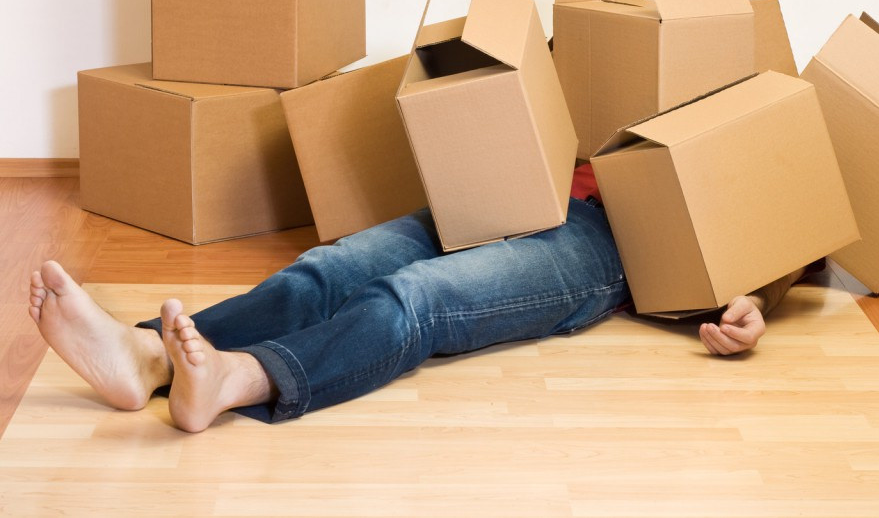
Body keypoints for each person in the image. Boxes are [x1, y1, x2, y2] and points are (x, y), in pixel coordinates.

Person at [27, 165, 808, 433]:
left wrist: (752, 300)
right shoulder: (625, 60)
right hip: (515, 191)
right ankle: (145, 354)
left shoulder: (765, 147)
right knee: (327, 270)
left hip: (608, 249)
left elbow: (786, 249)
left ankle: (240, 379)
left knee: (414, 298)